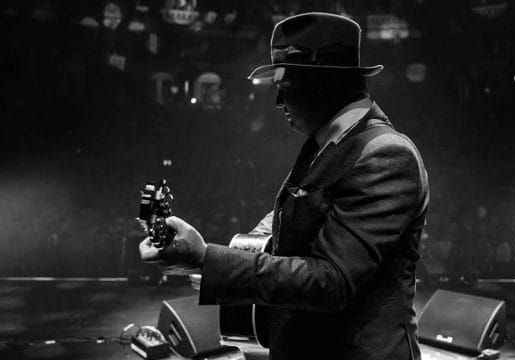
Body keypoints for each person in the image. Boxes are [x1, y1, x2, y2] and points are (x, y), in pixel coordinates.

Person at [139, 13, 429, 360]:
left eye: (286, 87)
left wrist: (207, 259)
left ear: (321, 82)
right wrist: (226, 260)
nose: (278, 102)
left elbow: (331, 281)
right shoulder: (328, 142)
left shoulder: (386, 155)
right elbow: (298, 212)